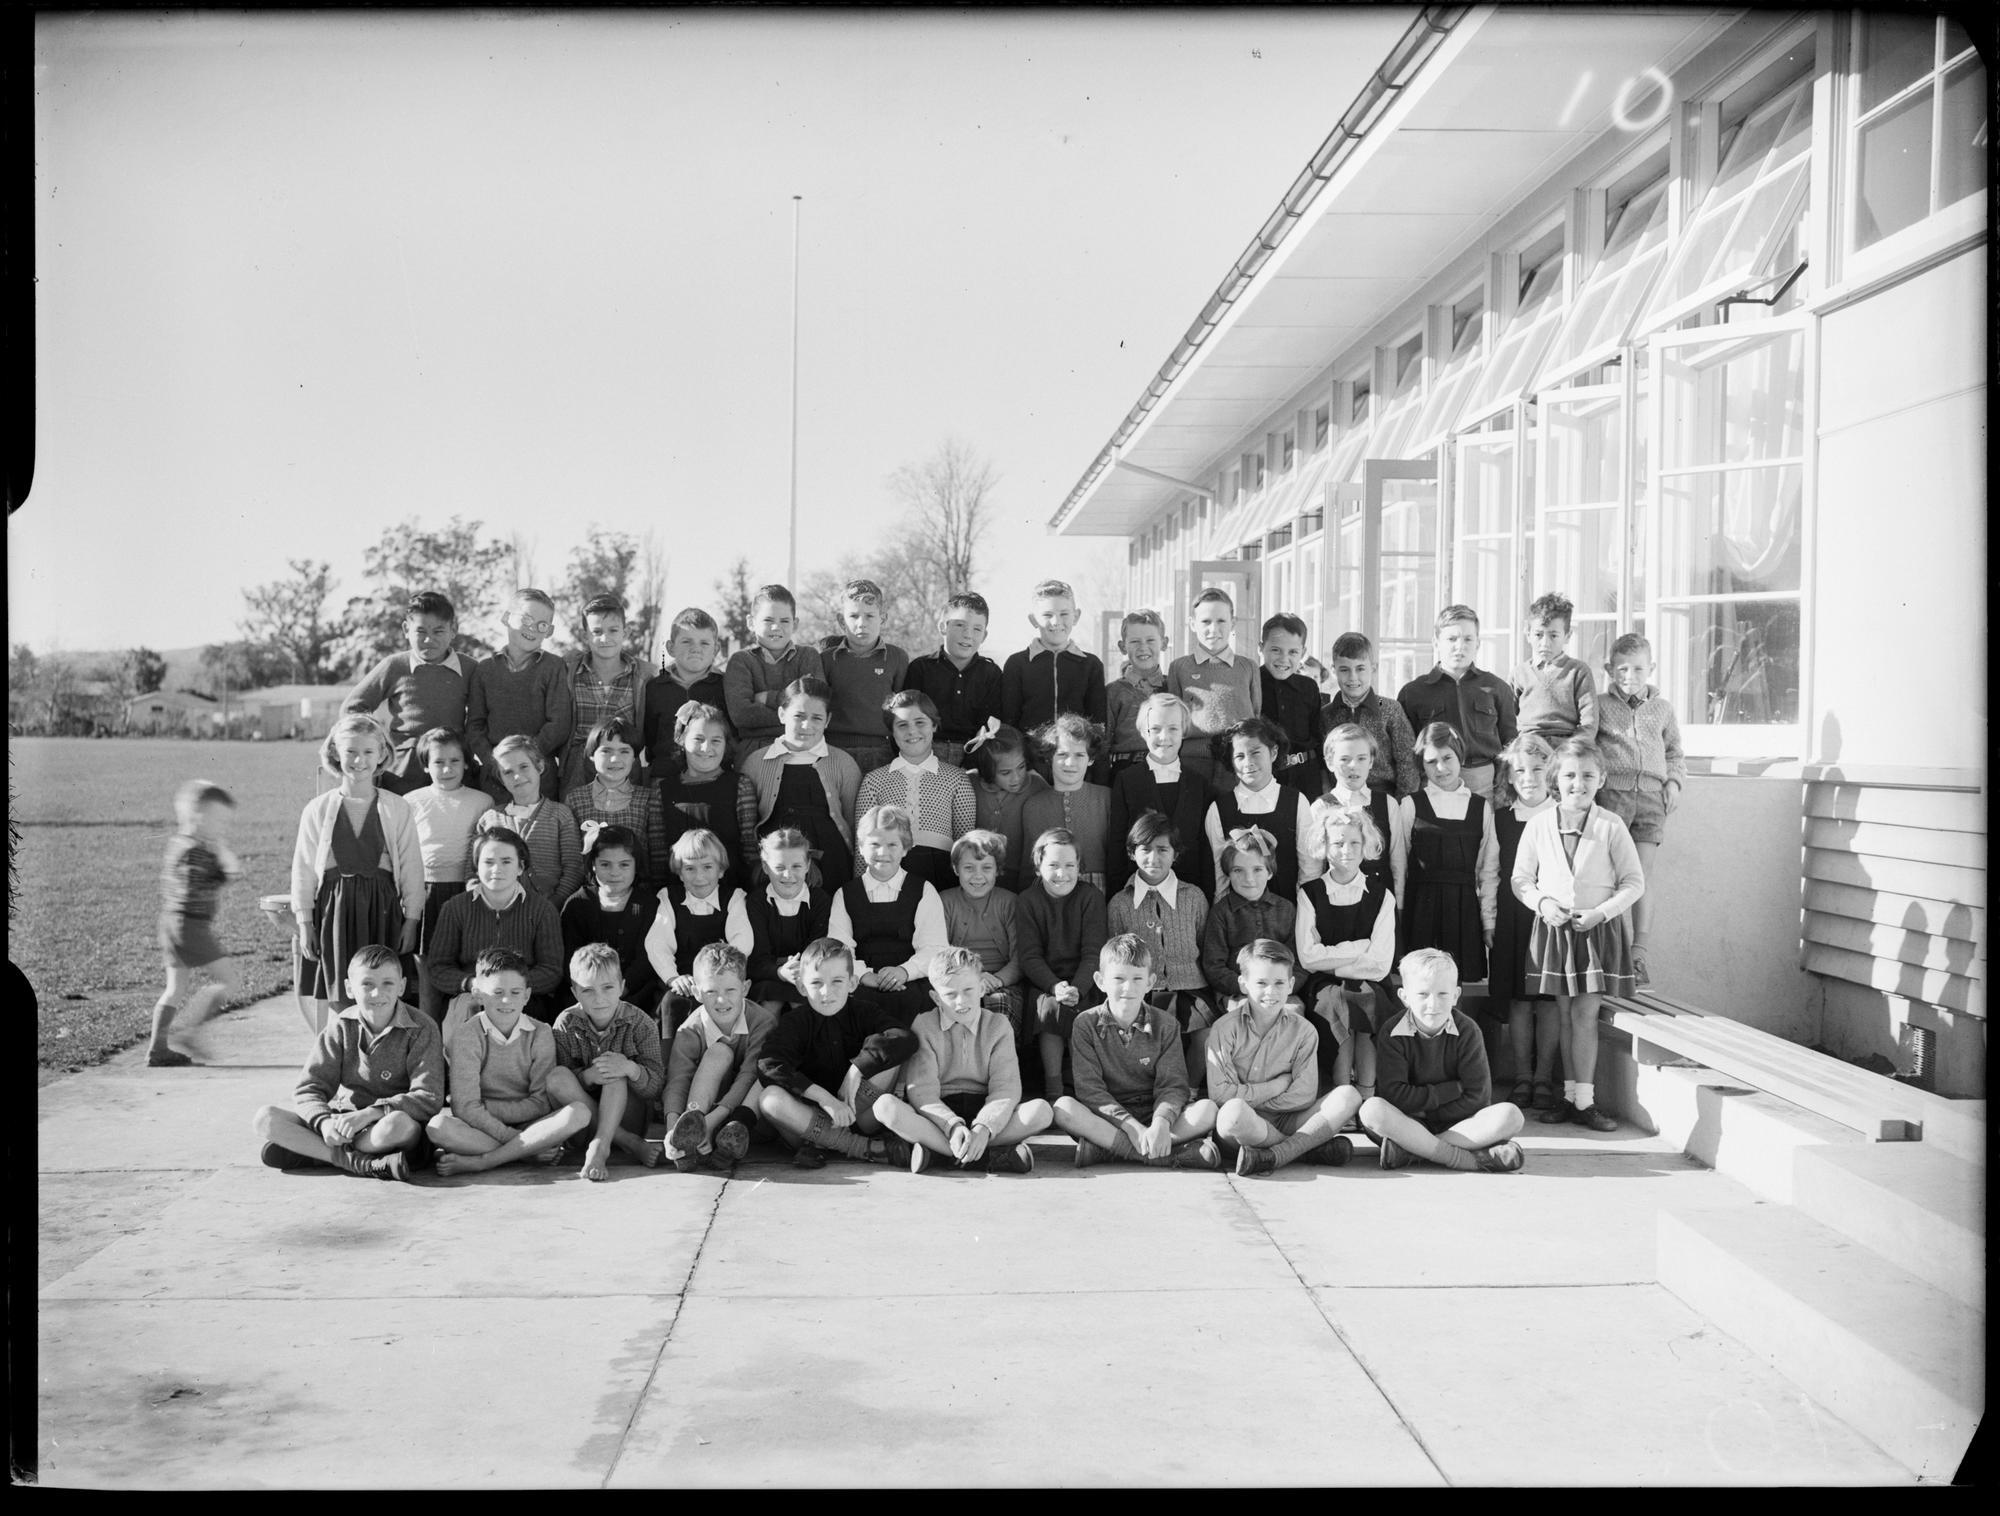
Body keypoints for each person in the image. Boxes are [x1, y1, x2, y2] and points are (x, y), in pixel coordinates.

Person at [1513, 737, 1644, 1134]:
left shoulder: (1610, 825)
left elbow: (1634, 882)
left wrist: (1601, 913)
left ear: (1601, 778)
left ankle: (1586, 1101)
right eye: (1570, 775)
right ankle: (1569, 1097)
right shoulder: (1538, 824)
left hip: (1595, 933)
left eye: (1587, 776)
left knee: (1585, 1016)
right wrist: (1542, 903)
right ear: (1556, 778)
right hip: (1555, 933)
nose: (1578, 784)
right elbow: (1521, 879)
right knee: (1565, 1016)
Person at [251, 944, 443, 1182]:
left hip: (386, 1127)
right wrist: (324, 1124)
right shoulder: (341, 1026)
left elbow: (429, 1097)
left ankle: (316, 1154)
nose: (377, 993)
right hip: (343, 1122)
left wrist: (369, 1114)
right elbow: (309, 1088)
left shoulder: (422, 1028)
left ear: (402, 986)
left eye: (387, 983)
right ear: (349, 988)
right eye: (367, 984)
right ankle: (358, 1162)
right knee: (265, 1118)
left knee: (399, 1125)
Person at [291, 714, 425, 1033]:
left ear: (381, 754)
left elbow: (411, 867)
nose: (359, 760)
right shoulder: (318, 809)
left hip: (382, 909)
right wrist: (305, 922)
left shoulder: (396, 807)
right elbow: (304, 869)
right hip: (334, 912)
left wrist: (412, 918)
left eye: (367, 752)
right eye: (350, 751)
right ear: (336, 753)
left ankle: (380, 1062)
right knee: (341, 990)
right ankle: (344, 1058)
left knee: (382, 988)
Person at [871, 946, 1052, 1174]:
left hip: (986, 1109)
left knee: (1041, 1111)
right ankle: (989, 1156)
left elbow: (1006, 1088)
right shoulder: (924, 1025)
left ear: (981, 988)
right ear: (936, 998)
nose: (960, 1001)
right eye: (950, 994)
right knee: (885, 1107)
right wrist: (952, 1126)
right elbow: (922, 1092)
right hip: (940, 1113)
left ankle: (939, 1154)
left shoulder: (998, 1025)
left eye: (968, 990)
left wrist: (983, 1127)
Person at [1051, 934, 1221, 1170]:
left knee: (1208, 1110)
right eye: (1118, 978)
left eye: (1137, 978)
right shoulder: (1085, 1024)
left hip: (1155, 1115)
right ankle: (1168, 1156)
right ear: (1100, 981)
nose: (1128, 987)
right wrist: (1130, 1126)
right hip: (1108, 1121)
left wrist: (1161, 1122)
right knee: (1063, 1109)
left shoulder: (1166, 1024)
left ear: (1150, 982)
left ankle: (1108, 1151)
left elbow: (1173, 1085)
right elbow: (1090, 1091)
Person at [754, 937, 920, 1169]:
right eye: (816, 983)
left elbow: (904, 1037)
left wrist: (856, 1070)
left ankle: (827, 1143)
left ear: (852, 983)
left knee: (890, 1054)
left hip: (858, 1113)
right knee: (769, 1099)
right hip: (808, 1120)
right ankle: (864, 1149)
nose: (826, 992)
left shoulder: (864, 1011)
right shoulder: (795, 1022)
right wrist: (825, 1099)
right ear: (802, 987)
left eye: (837, 981)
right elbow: (769, 1064)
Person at [426, 948, 593, 1176]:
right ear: (478, 994)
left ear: (526, 996)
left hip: (531, 1125)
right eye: (497, 992)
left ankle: (485, 1161)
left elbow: (541, 1103)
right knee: (438, 1127)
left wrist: (488, 1106)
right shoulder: (466, 1035)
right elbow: (464, 1108)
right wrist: (520, 1142)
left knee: (579, 1112)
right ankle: (525, 1154)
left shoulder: (540, 1032)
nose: (506, 1000)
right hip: (483, 1128)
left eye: (515, 992)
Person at [1357, 948, 1526, 1173]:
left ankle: (1413, 1151)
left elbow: (1478, 1097)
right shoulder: (1392, 1032)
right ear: (1404, 997)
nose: (1433, 1004)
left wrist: (1427, 1115)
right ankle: (1465, 1158)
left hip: (1459, 1124)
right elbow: (1394, 1095)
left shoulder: (1467, 1031)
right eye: (1423, 994)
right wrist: (1449, 1091)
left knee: (1511, 1116)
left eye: (1442, 994)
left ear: (1456, 995)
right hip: (1409, 1122)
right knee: (1372, 1110)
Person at [1211, 939, 1362, 1176]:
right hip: (1245, 1128)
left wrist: (1248, 1093)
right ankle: (1304, 1149)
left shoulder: (1304, 1031)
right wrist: (1278, 1085)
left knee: (1348, 1095)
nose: (1271, 992)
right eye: (1261, 983)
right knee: (1233, 1113)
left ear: (1291, 984)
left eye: (1279, 983)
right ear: (1243, 984)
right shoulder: (1224, 1029)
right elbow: (1221, 1095)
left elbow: (1303, 1096)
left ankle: (1275, 1155)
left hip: (1291, 1120)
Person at [1594, 633, 1685, 988]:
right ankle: (1607, 953)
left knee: (1641, 876)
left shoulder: (1662, 709)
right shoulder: (1600, 705)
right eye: (1621, 669)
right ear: (1609, 669)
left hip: (1650, 800)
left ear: (1652, 669)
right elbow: (1588, 745)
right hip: (1611, 797)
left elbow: (1675, 752)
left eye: (1637, 669)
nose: (1629, 676)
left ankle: (1639, 952)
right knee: (1609, 876)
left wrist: (1673, 783)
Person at [1297, 804, 1396, 1101]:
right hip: (1323, 984)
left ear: (1365, 845)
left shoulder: (1381, 895)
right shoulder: (1310, 893)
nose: (1346, 850)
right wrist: (1358, 948)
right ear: (1324, 845)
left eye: (1355, 842)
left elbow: (1379, 964)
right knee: (1336, 1002)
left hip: (1370, 981)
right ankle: (1342, 1096)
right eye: (1338, 843)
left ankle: (1366, 1093)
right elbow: (1308, 957)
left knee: (1367, 1000)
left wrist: (1332, 958)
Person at [1105, 810, 1212, 1085]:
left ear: (1175, 853)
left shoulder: (1194, 897)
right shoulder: (1120, 903)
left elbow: (1202, 941)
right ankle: (1149, 1091)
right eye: (1145, 849)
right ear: (1132, 853)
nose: (1154, 858)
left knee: (1204, 1036)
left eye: (1163, 849)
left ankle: (1185, 1089)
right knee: (1145, 1040)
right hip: (1142, 992)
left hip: (1189, 988)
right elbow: (1115, 954)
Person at [341, 591, 479, 796]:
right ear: (406, 629)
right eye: (420, 631)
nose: (428, 640)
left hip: (452, 763)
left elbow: (481, 716)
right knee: (403, 821)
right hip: (405, 766)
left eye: (438, 631)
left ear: (453, 630)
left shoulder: (470, 668)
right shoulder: (395, 666)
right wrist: (379, 744)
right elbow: (353, 707)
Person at [826, 803, 951, 1028]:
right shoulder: (845, 894)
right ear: (861, 847)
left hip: (911, 983)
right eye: (874, 844)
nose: (883, 852)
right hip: (862, 983)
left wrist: (904, 971)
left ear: (905, 849)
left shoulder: (923, 890)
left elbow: (935, 948)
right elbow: (839, 948)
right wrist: (864, 976)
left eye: (892, 844)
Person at [426, 827, 567, 1024]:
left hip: (525, 1001)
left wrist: (511, 988)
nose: (496, 869)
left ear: (520, 867)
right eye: (488, 862)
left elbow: (551, 970)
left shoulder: (542, 910)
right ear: (476, 866)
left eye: (506, 861)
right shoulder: (455, 908)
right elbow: (438, 968)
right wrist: (472, 983)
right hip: (472, 998)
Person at [551, 943, 668, 1180]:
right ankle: (629, 1143)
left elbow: (656, 1086)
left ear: (622, 987)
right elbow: (561, 1088)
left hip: (628, 1114)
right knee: (556, 1077)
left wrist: (631, 1069)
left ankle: (600, 1147)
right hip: (580, 1124)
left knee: (615, 1071)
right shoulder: (565, 1023)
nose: (599, 999)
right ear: (574, 992)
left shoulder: (641, 1023)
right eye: (588, 990)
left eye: (607, 988)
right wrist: (587, 1077)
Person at [737, 676, 861, 891]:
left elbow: (852, 821)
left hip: (831, 861)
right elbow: (749, 821)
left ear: (828, 720)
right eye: (799, 716)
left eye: (816, 718)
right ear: (782, 714)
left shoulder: (843, 763)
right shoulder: (756, 762)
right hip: (778, 865)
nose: (807, 725)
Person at [404, 728, 495, 1020]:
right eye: (439, 762)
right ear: (425, 765)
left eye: (455, 761)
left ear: (467, 763)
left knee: (470, 969)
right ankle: (429, 1044)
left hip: (468, 891)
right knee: (429, 975)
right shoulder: (411, 802)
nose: (447, 769)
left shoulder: (482, 802)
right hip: (427, 894)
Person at [1490, 734, 1560, 1112]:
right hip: (1512, 917)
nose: (1529, 777)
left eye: (1537, 769)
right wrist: (1489, 920)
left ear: (1550, 772)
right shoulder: (1501, 819)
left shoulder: (1561, 817)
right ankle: (1521, 1077)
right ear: (1510, 777)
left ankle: (1544, 1078)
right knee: (1518, 1000)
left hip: (1551, 921)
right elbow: (1489, 873)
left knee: (1548, 1001)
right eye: (1520, 771)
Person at [151, 778, 242, 1066]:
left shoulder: (179, 844)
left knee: (175, 987)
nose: (222, 828)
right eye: (219, 820)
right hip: (189, 925)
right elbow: (220, 877)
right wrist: (222, 861)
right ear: (198, 817)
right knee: (229, 980)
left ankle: (158, 1049)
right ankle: (190, 1031)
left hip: (171, 923)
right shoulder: (198, 851)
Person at [661, 942, 774, 1171]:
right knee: (719, 1053)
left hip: (745, 1111)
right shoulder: (690, 1030)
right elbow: (678, 1080)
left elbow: (749, 1075)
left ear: (745, 987)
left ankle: (723, 1136)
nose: (721, 1000)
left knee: (761, 1073)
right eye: (711, 991)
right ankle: (688, 1136)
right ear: (697, 993)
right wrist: (672, 1128)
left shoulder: (763, 1022)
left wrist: (711, 1122)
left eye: (730, 990)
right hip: (703, 1105)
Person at [1402, 721, 1498, 988]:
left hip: (1463, 911)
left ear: (1461, 757)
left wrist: (1488, 920)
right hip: (1421, 909)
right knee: (1421, 983)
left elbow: (1488, 870)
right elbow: (1400, 865)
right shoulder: (1411, 805)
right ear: (1422, 765)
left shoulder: (1481, 808)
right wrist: (1400, 914)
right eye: (1431, 761)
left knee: (1456, 986)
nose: (1441, 768)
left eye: (1447, 758)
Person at [1019, 827, 1110, 1102]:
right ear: (1038, 868)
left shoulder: (1090, 898)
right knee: (1049, 1011)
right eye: (1053, 865)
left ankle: (1085, 1085)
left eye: (1070, 865)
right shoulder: (1028, 901)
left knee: (1083, 1011)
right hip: (1046, 981)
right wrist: (1055, 986)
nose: (1062, 873)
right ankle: (1054, 1086)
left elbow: (1094, 952)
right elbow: (1029, 956)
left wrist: (1077, 988)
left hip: (1086, 979)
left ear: (1079, 867)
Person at [856, 689, 976, 893]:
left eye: (920, 722)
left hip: (941, 873)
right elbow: (863, 842)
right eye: (902, 725)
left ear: (934, 725)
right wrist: (860, 888)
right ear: (892, 732)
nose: (912, 731)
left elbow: (964, 842)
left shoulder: (957, 779)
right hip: (889, 869)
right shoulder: (874, 781)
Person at [1396, 604, 1517, 800]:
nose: (1460, 647)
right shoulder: (1413, 692)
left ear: (1478, 643)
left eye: (1468, 639)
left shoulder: (1497, 688)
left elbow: (1510, 743)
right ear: (1436, 642)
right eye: (1452, 639)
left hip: (1483, 782)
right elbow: (1406, 750)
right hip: (1435, 779)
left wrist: (1503, 787)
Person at [467, 587, 575, 803]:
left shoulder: (553, 667)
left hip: (538, 775)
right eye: (526, 619)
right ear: (507, 618)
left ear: (550, 631)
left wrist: (526, 761)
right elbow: (475, 725)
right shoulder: (485, 669)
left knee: (539, 833)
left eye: (541, 625)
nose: (532, 629)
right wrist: (495, 763)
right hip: (496, 776)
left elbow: (559, 723)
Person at [1203, 715, 1322, 900]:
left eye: (1255, 752)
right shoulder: (1218, 809)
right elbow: (1220, 877)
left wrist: (1305, 912)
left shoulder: (1297, 801)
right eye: (1239, 756)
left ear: (1273, 753)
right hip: (1238, 915)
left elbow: (1309, 868)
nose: (1248, 762)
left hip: (1288, 911)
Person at [1105, 692, 1210, 895]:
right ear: (1144, 732)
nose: (1164, 737)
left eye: (1173, 728)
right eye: (1155, 729)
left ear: (1184, 732)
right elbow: (1117, 841)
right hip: (1138, 893)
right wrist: (1115, 896)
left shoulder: (1199, 783)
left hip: (1188, 895)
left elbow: (1204, 848)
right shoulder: (1126, 780)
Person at [723, 826, 833, 1016]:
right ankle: (765, 1045)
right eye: (779, 867)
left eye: (796, 866)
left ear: (807, 865)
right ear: (766, 867)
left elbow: (819, 948)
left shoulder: (819, 900)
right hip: (768, 975)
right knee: (770, 1004)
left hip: (808, 975)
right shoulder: (756, 902)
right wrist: (781, 972)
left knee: (803, 1002)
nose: (788, 875)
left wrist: (801, 971)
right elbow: (757, 958)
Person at [654, 701, 761, 894]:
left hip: (731, 890)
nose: (706, 748)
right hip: (678, 892)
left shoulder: (740, 786)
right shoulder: (662, 790)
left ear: (725, 744)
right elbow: (658, 853)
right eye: (698, 739)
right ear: (682, 741)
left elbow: (750, 847)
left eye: (716, 741)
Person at [559, 823, 665, 1015]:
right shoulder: (578, 905)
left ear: (636, 865)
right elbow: (569, 958)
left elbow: (647, 958)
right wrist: (593, 992)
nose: (615, 872)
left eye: (624, 864)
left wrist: (622, 990)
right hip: (588, 997)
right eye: (605, 864)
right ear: (593, 864)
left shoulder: (648, 905)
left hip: (636, 995)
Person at [645, 828, 742, 1034]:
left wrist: (717, 979)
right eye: (690, 869)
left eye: (707, 867)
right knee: (672, 1003)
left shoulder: (734, 897)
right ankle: (669, 1060)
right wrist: (673, 978)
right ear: (680, 872)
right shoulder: (669, 897)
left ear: (721, 870)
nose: (699, 877)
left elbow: (742, 942)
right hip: (682, 980)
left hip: (721, 980)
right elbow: (657, 944)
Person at [469, 735, 584, 907]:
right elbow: (472, 869)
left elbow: (573, 867)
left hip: (548, 911)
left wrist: (555, 903)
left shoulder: (561, 815)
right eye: (508, 772)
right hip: (497, 913)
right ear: (500, 778)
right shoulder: (490, 819)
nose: (517, 777)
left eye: (524, 767)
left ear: (540, 766)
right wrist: (482, 901)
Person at [1199, 825, 1298, 1022]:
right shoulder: (1221, 912)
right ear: (1228, 873)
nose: (1249, 878)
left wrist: (1280, 988)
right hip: (1237, 992)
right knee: (1244, 1016)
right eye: (1238, 870)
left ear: (1270, 872)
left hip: (1280, 993)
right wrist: (1247, 987)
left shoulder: (1286, 909)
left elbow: (1299, 962)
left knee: (1291, 1013)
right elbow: (1213, 965)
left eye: (1257, 869)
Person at [999, 578, 1107, 756]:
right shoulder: (1017, 664)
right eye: (1047, 615)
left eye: (1064, 614)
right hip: (1031, 763)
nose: (1056, 621)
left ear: (1076, 616)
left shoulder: (1091, 665)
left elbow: (1097, 727)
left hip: (1075, 764)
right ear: (1033, 619)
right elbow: (1009, 724)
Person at [562, 717, 671, 891]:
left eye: (624, 751)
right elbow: (572, 857)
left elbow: (657, 855)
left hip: (638, 895)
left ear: (634, 757)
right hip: (590, 896)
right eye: (606, 751)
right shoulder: (575, 799)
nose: (615, 759)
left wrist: (655, 895)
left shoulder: (647, 798)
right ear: (591, 754)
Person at [1166, 587, 1260, 786]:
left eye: (1221, 621)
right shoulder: (1179, 668)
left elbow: (1255, 712)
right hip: (1191, 763)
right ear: (1192, 624)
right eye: (1206, 621)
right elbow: (1173, 719)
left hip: (1237, 762)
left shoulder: (1248, 667)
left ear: (1233, 623)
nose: (1213, 629)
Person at [722, 583, 824, 761]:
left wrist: (767, 698)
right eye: (768, 620)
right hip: (754, 752)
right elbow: (742, 716)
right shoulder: (741, 661)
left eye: (784, 621)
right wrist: (795, 712)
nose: (776, 628)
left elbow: (814, 708)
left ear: (795, 623)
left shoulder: (808, 656)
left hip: (802, 750)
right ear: (751, 622)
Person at [559, 593, 651, 790]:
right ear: (585, 636)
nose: (605, 638)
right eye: (597, 631)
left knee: (625, 817)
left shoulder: (642, 674)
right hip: (578, 764)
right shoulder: (570, 671)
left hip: (623, 762)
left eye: (613, 630)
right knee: (575, 817)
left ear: (624, 633)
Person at [902, 591, 1004, 768]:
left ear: (984, 636)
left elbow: (991, 726)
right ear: (943, 627)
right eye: (960, 625)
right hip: (925, 754)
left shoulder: (991, 673)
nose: (968, 635)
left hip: (973, 757)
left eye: (977, 629)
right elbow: (907, 720)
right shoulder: (921, 668)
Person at [818, 576, 909, 775]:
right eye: (854, 616)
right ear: (841, 620)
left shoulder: (897, 658)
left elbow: (902, 709)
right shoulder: (826, 660)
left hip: (881, 751)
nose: (861, 623)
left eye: (869, 616)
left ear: (883, 618)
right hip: (834, 749)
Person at [938, 829, 1024, 1033]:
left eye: (986, 868)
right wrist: (970, 981)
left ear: (998, 870)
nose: (978, 876)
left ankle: (1000, 1062)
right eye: (969, 868)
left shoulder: (1010, 902)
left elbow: (1021, 956)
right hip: (957, 981)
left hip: (1002, 982)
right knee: (954, 1007)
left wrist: (998, 980)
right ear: (956, 869)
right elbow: (939, 953)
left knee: (998, 1006)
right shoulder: (944, 902)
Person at [1313, 723, 1410, 900]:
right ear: (1329, 762)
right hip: (1336, 900)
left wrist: (1400, 903)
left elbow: (1398, 860)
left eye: (1361, 758)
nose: (1353, 766)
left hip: (1381, 899)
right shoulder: (1321, 807)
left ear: (1371, 761)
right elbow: (1314, 866)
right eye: (1344, 759)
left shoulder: (1388, 804)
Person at [1325, 632, 1421, 799]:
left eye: (1360, 668)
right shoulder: (1326, 714)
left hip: (1385, 797)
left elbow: (1408, 763)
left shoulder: (1390, 709)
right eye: (1344, 670)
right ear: (1334, 670)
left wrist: (1402, 804)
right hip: (1341, 798)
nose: (1353, 677)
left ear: (1374, 668)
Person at [1022, 712, 1111, 889]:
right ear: (1049, 757)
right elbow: (1029, 864)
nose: (1070, 762)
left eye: (1079, 755)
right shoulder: (1033, 806)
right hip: (1049, 887)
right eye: (1062, 754)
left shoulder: (1106, 798)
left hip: (1098, 888)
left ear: (1091, 759)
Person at [641, 606, 730, 775]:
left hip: (714, 777)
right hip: (664, 776)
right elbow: (649, 736)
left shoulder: (725, 686)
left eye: (704, 643)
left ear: (716, 649)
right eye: (686, 641)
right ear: (671, 647)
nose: (696, 648)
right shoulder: (654, 688)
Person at [1510, 592, 1599, 745]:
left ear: (1567, 635)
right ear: (1528, 634)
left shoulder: (1578, 671)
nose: (1545, 643)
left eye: (1553, 636)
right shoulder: (1519, 673)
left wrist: (1574, 748)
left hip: (1566, 746)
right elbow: (1507, 718)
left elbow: (1589, 722)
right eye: (1538, 635)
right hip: (1528, 746)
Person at [968, 724, 1049, 893]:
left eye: (1021, 767)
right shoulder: (969, 783)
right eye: (1005, 773)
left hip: (1019, 879)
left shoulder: (1037, 785)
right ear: (987, 770)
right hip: (975, 876)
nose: (1017, 777)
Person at [1256, 613, 1328, 796]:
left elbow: (1317, 736)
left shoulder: (1309, 687)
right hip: (1263, 775)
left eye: (1293, 652)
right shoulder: (1251, 682)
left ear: (1303, 653)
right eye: (1276, 650)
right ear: (1261, 648)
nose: (1283, 659)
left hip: (1305, 776)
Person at [1103, 609, 1169, 778]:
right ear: (1122, 647)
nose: (1143, 647)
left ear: (1164, 643)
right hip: (1125, 771)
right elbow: (1103, 745)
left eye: (1150, 640)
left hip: (1167, 769)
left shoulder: (1174, 686)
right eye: (1135, 641)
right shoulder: (1113, 692)